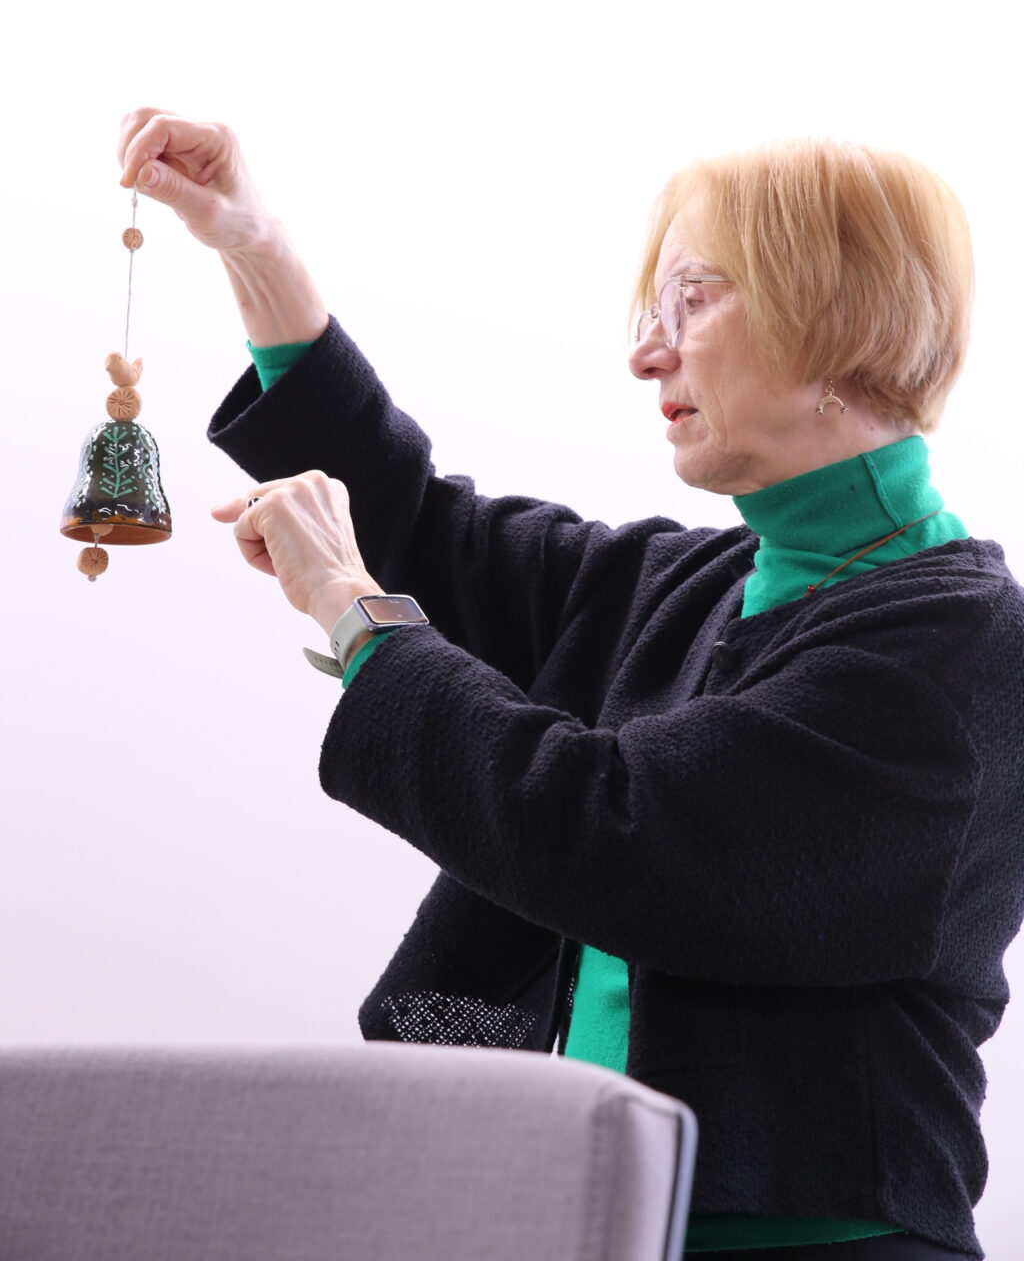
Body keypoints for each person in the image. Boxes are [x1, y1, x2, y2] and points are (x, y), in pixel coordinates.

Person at [118, 107, 1024, 1260]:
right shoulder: (682, 585)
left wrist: (356, 612)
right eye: (654, 312)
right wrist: (252, 245)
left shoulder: (960, 645)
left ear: (837, 313)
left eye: (692, 300)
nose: (649, 353)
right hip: (574, 1218)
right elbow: (415, 525)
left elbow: (619, 838)